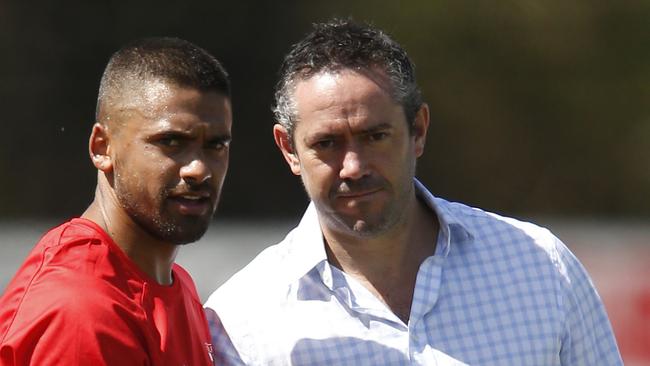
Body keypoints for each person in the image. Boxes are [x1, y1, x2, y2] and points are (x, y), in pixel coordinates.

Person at [204, 19, 622, 365]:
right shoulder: (241, 322)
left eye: (375, 136)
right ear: (289, 149)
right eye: (327, 143)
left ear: (417, 130)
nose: (354, 166)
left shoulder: (538, 266)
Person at [0, 37, 232, 365]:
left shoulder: (174, 284)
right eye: (170, 141)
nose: (199, 169)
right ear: (101, 147)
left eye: (216, 145)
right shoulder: (83, 311)